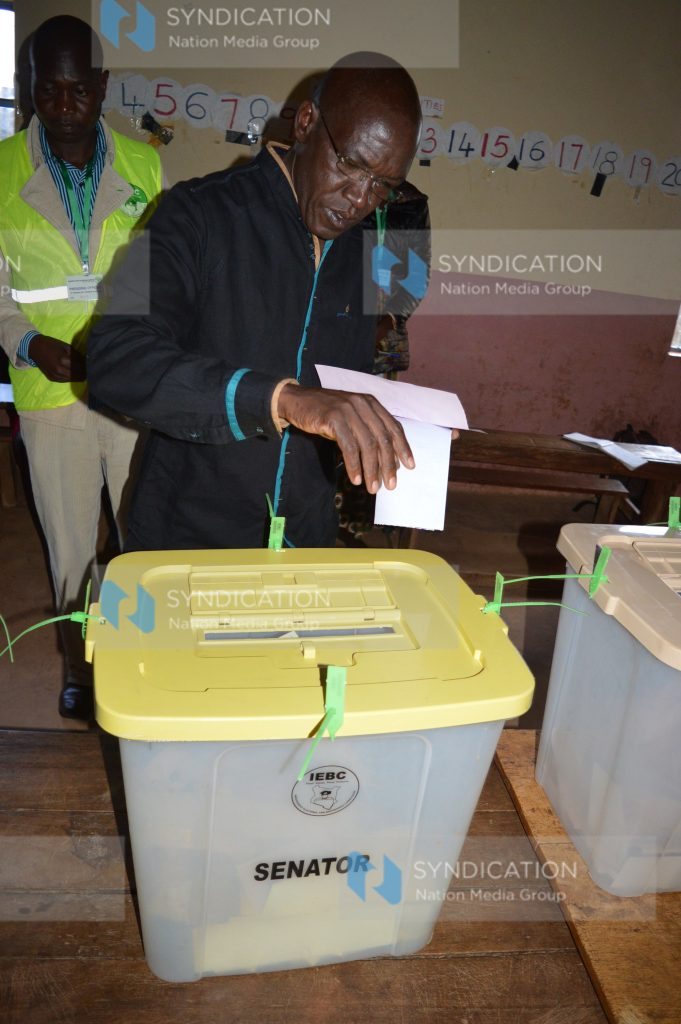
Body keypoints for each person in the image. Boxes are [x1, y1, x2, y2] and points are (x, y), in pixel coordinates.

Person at [88, 53, 421, 553]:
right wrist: (280, 400)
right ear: (306, 122)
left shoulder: (361, 251)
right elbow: (115, 354)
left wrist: (396, 424)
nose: (361, 199)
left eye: (383, 185)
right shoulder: (196, 213)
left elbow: (343, 383)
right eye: (351, 165)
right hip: (189, 535)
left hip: (303, 537)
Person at [0, 16, 163, 719]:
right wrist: (28, 343)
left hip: (128, 388)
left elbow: (163, 280)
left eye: (78, 88)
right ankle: (78, 666)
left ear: (101, 87)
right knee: (69, 545)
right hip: (47, 390)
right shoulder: (2, 168)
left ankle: (138, 656)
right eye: (48, 88)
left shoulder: (145, 164)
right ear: (30, 89)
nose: (63, 103)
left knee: (142, 536)